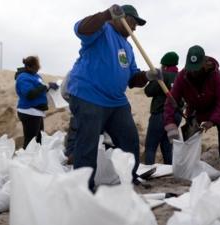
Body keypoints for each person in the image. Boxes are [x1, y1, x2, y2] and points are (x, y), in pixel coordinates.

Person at [67, 4, 161, 190]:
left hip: (116, 101)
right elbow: (80, 29)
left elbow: (132, 79)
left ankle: (129, 176)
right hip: (89, 95)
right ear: (121, 18)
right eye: (133, 22)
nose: (134, 28)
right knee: (88, 143)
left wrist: (148, 76)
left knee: (130, 140)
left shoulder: (128, 47)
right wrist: (105, 15)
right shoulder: (102, 30)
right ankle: (84, 188)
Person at [164, 45, 220, 172]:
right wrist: (170, 124)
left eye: (197, 68)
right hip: (196, 110)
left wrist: (212, 121)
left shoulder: (215, 74)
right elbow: (171, 101)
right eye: (191, 69)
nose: (194, 72)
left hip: (216, 109)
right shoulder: (182, 76)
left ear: (205, 63)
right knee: (189, 138)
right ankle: (187, 169)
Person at [144, 52, 183, 165]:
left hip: (160, 115)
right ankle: (169, 170)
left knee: (151, 146)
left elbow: (148, 91)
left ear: (164, 64)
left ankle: (148, 169)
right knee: (167, 146)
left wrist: (153, 78)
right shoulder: (181, 76)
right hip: (176, 116)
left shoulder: (162, 75)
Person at [15, 56, 59, 148]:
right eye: (36, 68)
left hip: (37, 112)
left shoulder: (36, 76)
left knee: (39, 140)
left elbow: (40, 89)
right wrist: (45, 86)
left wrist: (50, 87)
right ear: (29, 67)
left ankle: (35, 161)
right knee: (31, 141)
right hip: (29, 112)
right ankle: (26, 160)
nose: (37, 70)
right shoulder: (23, 78)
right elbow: (29, 94)